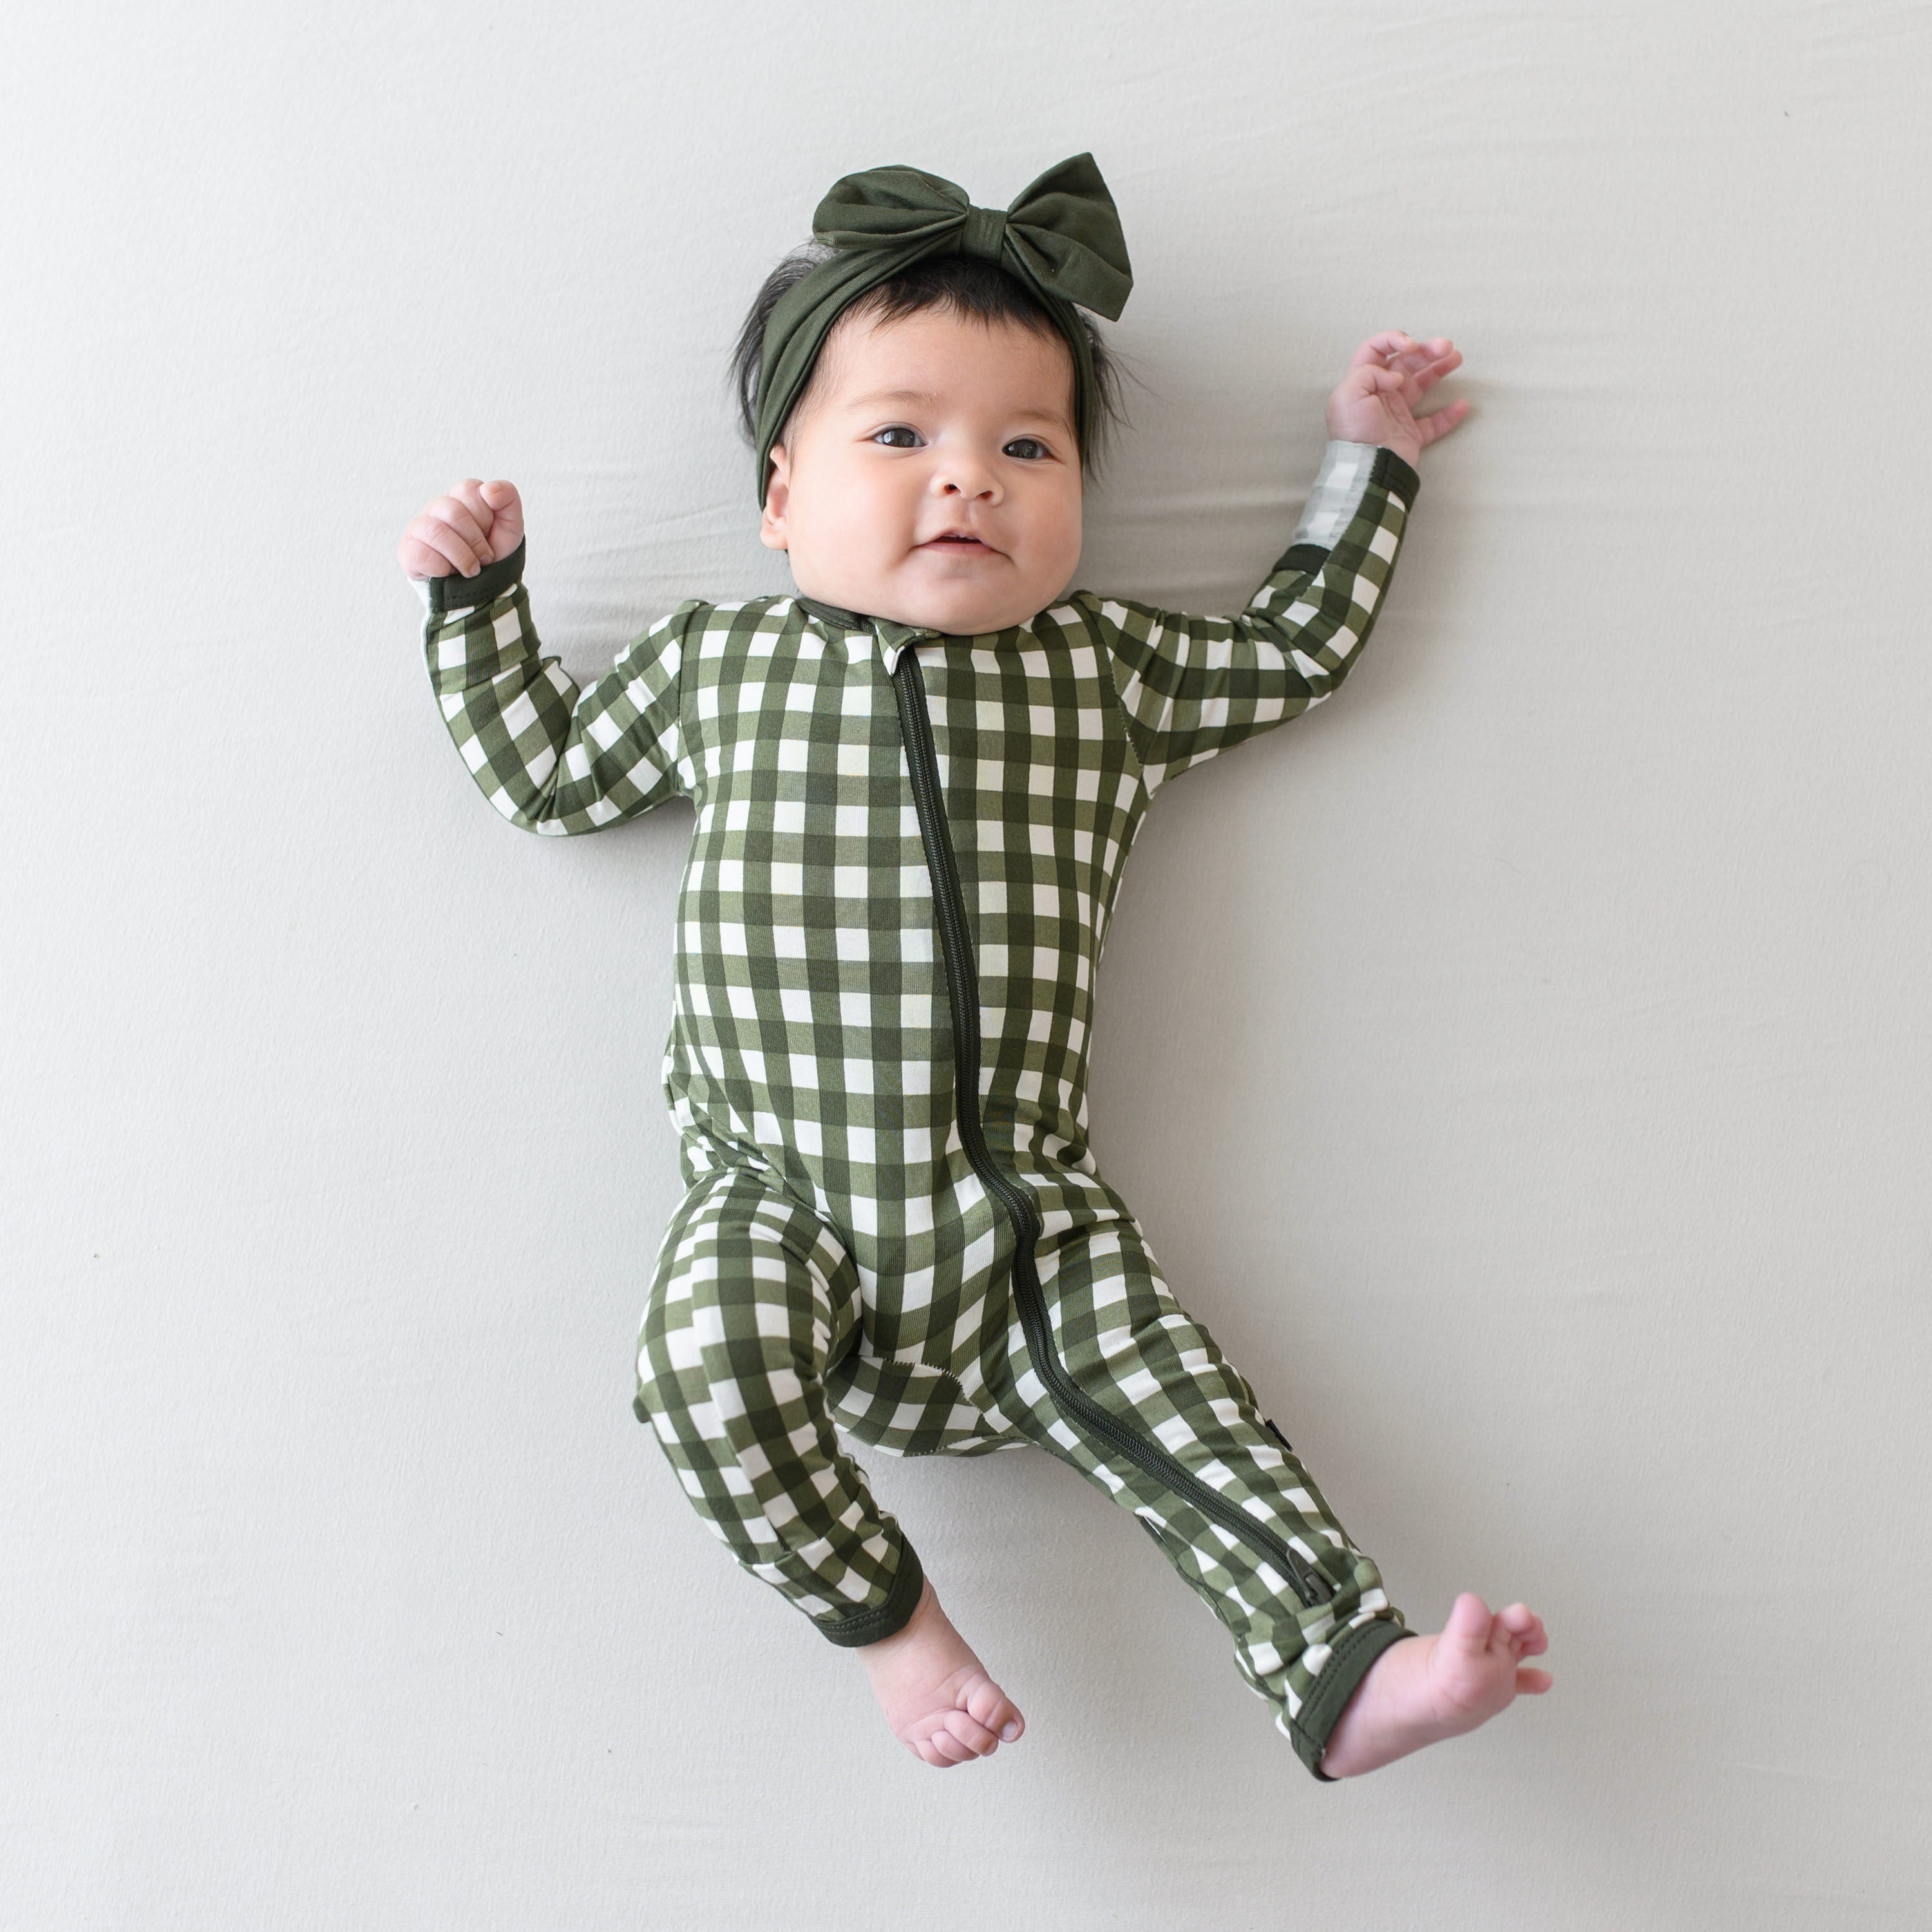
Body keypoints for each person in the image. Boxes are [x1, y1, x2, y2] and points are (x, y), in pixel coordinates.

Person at [399, 154, 1550, 1779]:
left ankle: (1350, 1670)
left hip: (1028, 1224)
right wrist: (480, 607)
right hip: (782, 1202)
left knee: (1194, 1418)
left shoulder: (1105, 668)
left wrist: (1369, 466)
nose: (971, 480)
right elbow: (546, 782)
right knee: (698, 1366)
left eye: (1029, 445)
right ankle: (891, 1625)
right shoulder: (719, 663)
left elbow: (1296, 649)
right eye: (901, 436)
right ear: (782, 498)